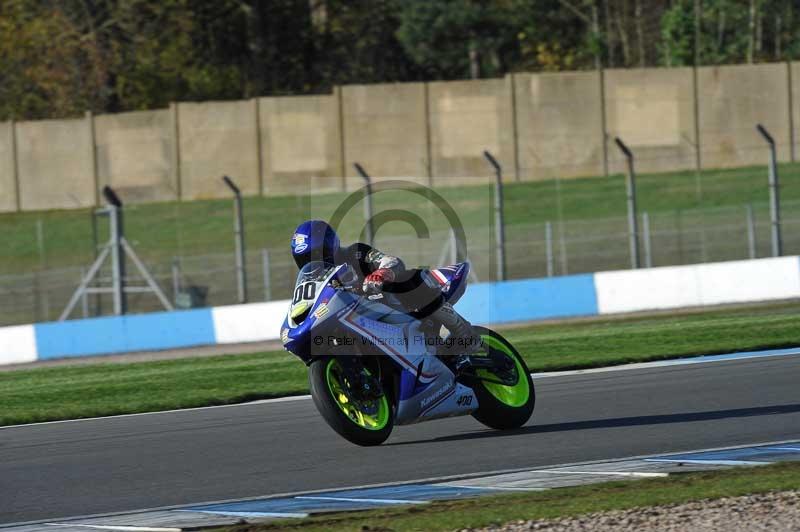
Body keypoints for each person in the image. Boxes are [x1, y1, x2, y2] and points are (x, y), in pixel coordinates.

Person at [290, 219, 481, 356]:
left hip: (390, 303)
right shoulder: (315, 282)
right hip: (362, 319)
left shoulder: (355, 253)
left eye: (317, 254)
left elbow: (391, 261)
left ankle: (462, 330)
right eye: (306, 259)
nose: (314, 261)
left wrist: (381, 274)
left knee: (406, 279)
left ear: (330, 246)